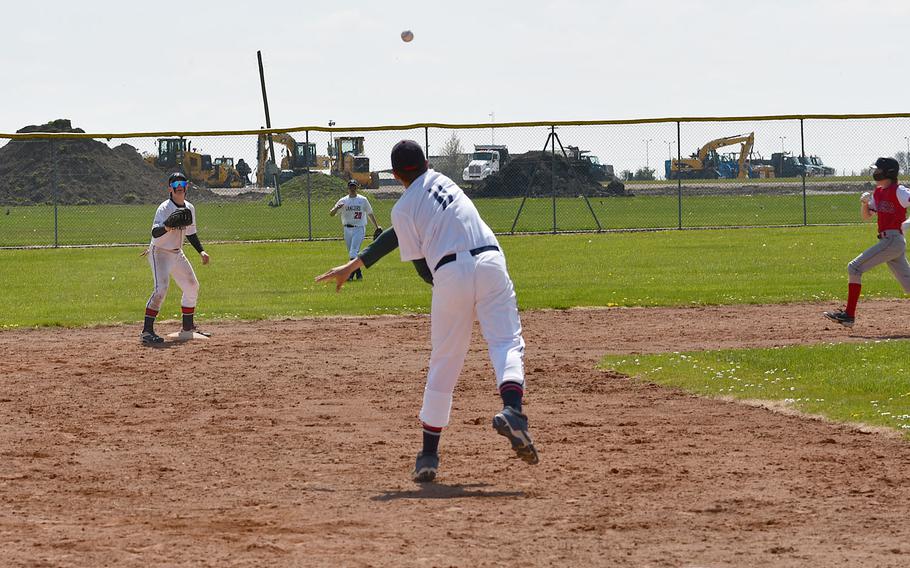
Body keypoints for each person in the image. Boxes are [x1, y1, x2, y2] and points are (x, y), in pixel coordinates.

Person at [316, 140, 539, 483]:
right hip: (492, 261)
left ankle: (429, 457)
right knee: (506, 342)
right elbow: (396, 234)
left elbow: (420, 263)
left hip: (449, 272)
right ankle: (513, 410)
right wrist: (359, 262)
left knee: (445, 361)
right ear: (426, 163)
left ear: (393, 174)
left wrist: (449, 292)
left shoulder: (403, 209)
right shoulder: (446, 183)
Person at [824, 157, 910, 328]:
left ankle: (849, 315)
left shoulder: (899, 190)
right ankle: (848, 315)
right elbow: (867, 216)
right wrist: (864, 203)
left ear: (888, 173)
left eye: (878, 170)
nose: (875, 173)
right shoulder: (878, 192)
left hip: (893, 239)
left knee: (854, 267)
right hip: (890, 241)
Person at [140, 172, 211, 344]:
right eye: (175, 183)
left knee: (192, 286)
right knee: (161, 289)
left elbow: (191, 234)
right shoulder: (164, 208)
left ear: (186, 187)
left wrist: (201, 251)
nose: (179, 186)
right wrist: (167, 226)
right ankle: (146, 332)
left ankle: (187, 327)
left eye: (182, 183)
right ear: (170, 189)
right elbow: (154, 233)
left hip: (177, 252)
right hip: (160, 252)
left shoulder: (189, 208)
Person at [329, 179, 381, 281]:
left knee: (353, 252)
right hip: (347, 229)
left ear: (357, 188)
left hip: (359, 228)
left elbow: (370, 213)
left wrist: (377, 226)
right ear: (348, 188)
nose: (352, 189)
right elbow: (331, 214)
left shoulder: (363, 200)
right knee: (352, 254)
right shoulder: (343, 200)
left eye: (354, 187)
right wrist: (336, 208)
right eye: (351, 187)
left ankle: (350, 275)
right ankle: (359, 274)